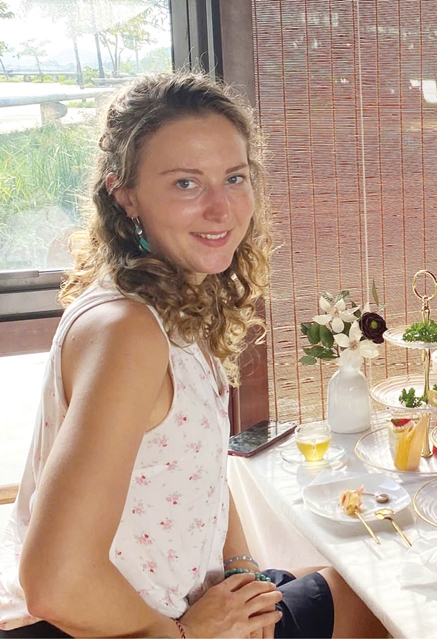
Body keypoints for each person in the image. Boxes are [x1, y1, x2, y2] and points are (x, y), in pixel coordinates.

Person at [0, 73, 385, 639]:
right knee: (374, 610)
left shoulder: (170, 300)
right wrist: (186, 634)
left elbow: (196, 467)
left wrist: (244, 573)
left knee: (360, 591)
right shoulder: (128, 331)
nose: (221, 208)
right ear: (123, 195)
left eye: (234, 177)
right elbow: (56, 582)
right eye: (185, 183)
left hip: (179, 595)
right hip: (104, 624)